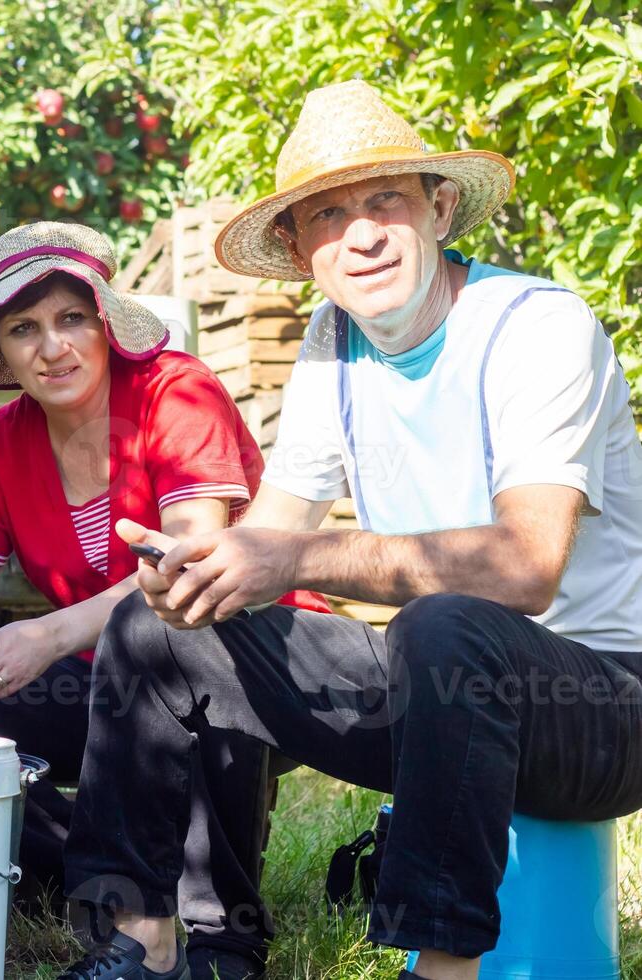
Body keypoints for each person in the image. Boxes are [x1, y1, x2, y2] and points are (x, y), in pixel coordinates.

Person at [58, 80, 642, 980]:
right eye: (328, 216)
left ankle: (444, 967)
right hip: (441, 697)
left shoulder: (536, 328)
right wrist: (197, 572)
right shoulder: (334, 342)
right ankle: (156, 943)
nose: (361, 233)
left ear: (440, 209)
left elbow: (528, 569)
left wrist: (286, 554)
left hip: (602, 708)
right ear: (299, 249)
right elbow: (275, 531)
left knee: (445, 623)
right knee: (158, 632)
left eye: (385, 201)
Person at [0, 222, 328, 977]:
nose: (50, 346)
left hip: (254, 659)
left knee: (195, 648)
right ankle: (70, 871)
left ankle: (225, 938)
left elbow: (188, 567)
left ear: (105, 324)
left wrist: (47, 636)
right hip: (110, 687)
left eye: (70, 318)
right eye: (23, 329)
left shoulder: (174, 391)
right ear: (3, 348)